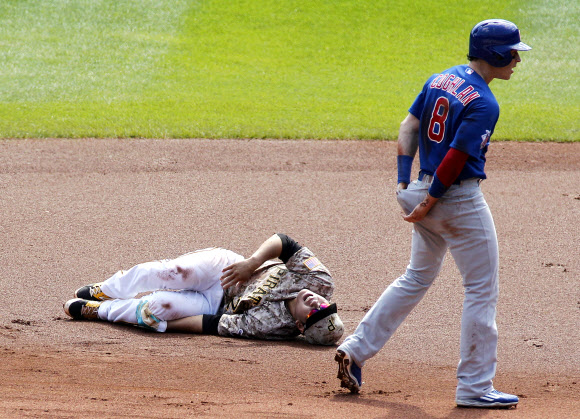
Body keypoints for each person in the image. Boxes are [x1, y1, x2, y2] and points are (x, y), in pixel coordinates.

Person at [334, 19, 531, 408]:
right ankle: (475, 386)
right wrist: (432, 199)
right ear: (493, 53)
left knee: (416, 277)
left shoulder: (440, 80)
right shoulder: (484, 102)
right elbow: (457, 158)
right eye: (512, 53)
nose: (516, 61)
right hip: (454, 200)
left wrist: (404, 185)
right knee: (480, 288)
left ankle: (356, 350)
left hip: (422, 190)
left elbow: (409, 126)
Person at [64, 233, 344, 345]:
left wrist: (163, 325)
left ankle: (100, 311)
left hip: (215, 306)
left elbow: (212, 323)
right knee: (174, 272)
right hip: (227, 268)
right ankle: (110, 288)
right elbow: (285, 241)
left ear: (299, 325)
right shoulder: (320, 281)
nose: (318, 302)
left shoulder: (271, 328)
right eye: (325, 306)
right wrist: (252, 262)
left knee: (157, 309)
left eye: (316, 312)